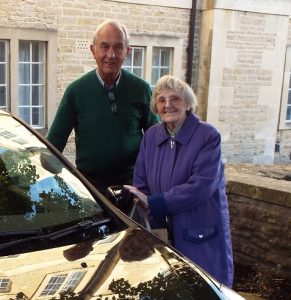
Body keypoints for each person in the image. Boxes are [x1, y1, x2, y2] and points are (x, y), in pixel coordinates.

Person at [124, 75, 234, 287]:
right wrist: (147, 205)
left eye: (175, 98)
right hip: (162, 232)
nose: (168, 105)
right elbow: (141, 181)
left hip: (200, 231)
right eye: (161, 100)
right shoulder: (151, 136)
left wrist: (155, 202)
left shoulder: (207, 136)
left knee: (206, 289)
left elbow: (201, 186)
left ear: (187, 103)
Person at [47, 19, 157, 195]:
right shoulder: (76, 91)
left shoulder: (141, 89)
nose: (111, 55)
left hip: (134, 186)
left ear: (127, 51)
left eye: (118, 47)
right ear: (93, 50)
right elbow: (53, 145)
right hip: (90, 188)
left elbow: (156, 139)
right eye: (104, 46)